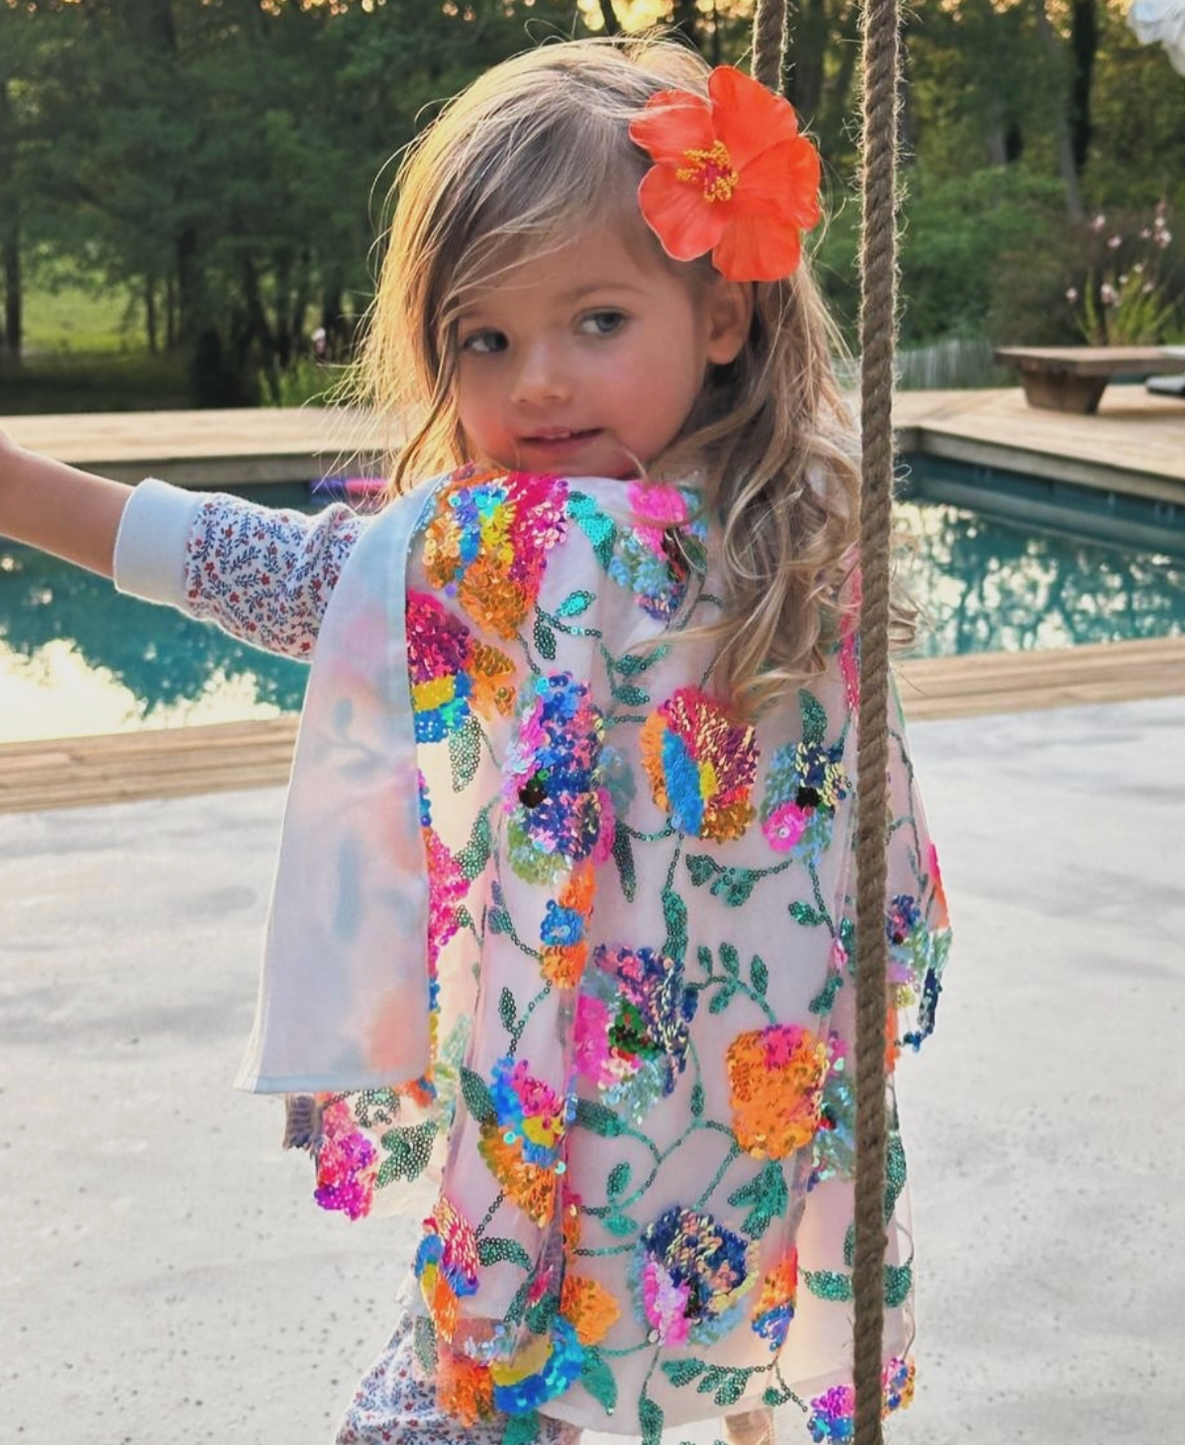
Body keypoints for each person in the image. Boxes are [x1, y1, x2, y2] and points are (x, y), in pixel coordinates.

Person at [0, 36, 951, 1445]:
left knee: (476, 1410)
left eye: (597, 321)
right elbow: (275, 569)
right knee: (695, 1365)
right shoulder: (773, 524)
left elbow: (279, 573)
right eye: (484, 340)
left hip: (643, 1137)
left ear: (728, 314)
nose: (538, 382)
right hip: (682, 1132)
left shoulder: (693, 544)